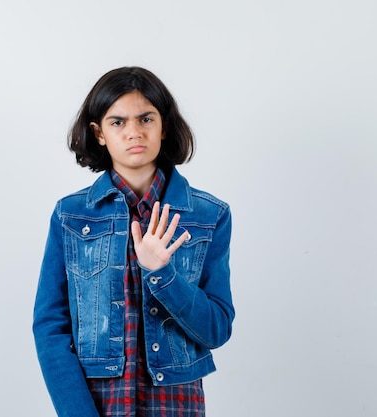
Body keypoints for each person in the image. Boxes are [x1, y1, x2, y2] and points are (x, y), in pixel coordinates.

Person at [32, 66, 234, 417]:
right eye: (118, 122)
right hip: (98, 404)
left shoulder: (208, 214)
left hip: (177, 406)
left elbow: (216, 328)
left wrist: (163, 274)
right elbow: (50, 326)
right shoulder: (72, 215)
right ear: (98, 133)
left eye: (146, 118)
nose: (134, 132)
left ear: (164, 126)